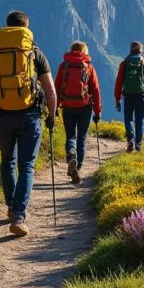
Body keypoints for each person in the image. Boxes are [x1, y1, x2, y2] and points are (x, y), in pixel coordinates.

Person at [0, 11, 57, 237]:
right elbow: (50, 91)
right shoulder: (35, 54)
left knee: (7, 162)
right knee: (27, 165)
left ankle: (11, 208)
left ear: (7, 27)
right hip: (30, 116)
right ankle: (20, 215)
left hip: (3, 116)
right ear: (26, 28)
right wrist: (51, 116)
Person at [54, 41, 102, 184]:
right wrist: (98, 111)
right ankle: (78, 168)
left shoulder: (64, 66)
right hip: (84, 107)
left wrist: (55, 107)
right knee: (81, 138)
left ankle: (71, 156)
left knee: (70, 136)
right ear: (84, 51)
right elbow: (96, 90)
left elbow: (56, 88)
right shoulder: (89, 67)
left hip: (67, 105)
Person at [114, 41, 144, 152]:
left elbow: (119, 83)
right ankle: (138, 144)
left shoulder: (124, 64)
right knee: (139, 121)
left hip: (128, 97)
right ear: (140, 50)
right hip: (141, 96)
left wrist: (117, 99)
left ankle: (130, 141)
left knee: (128, 119)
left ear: (131, 50)